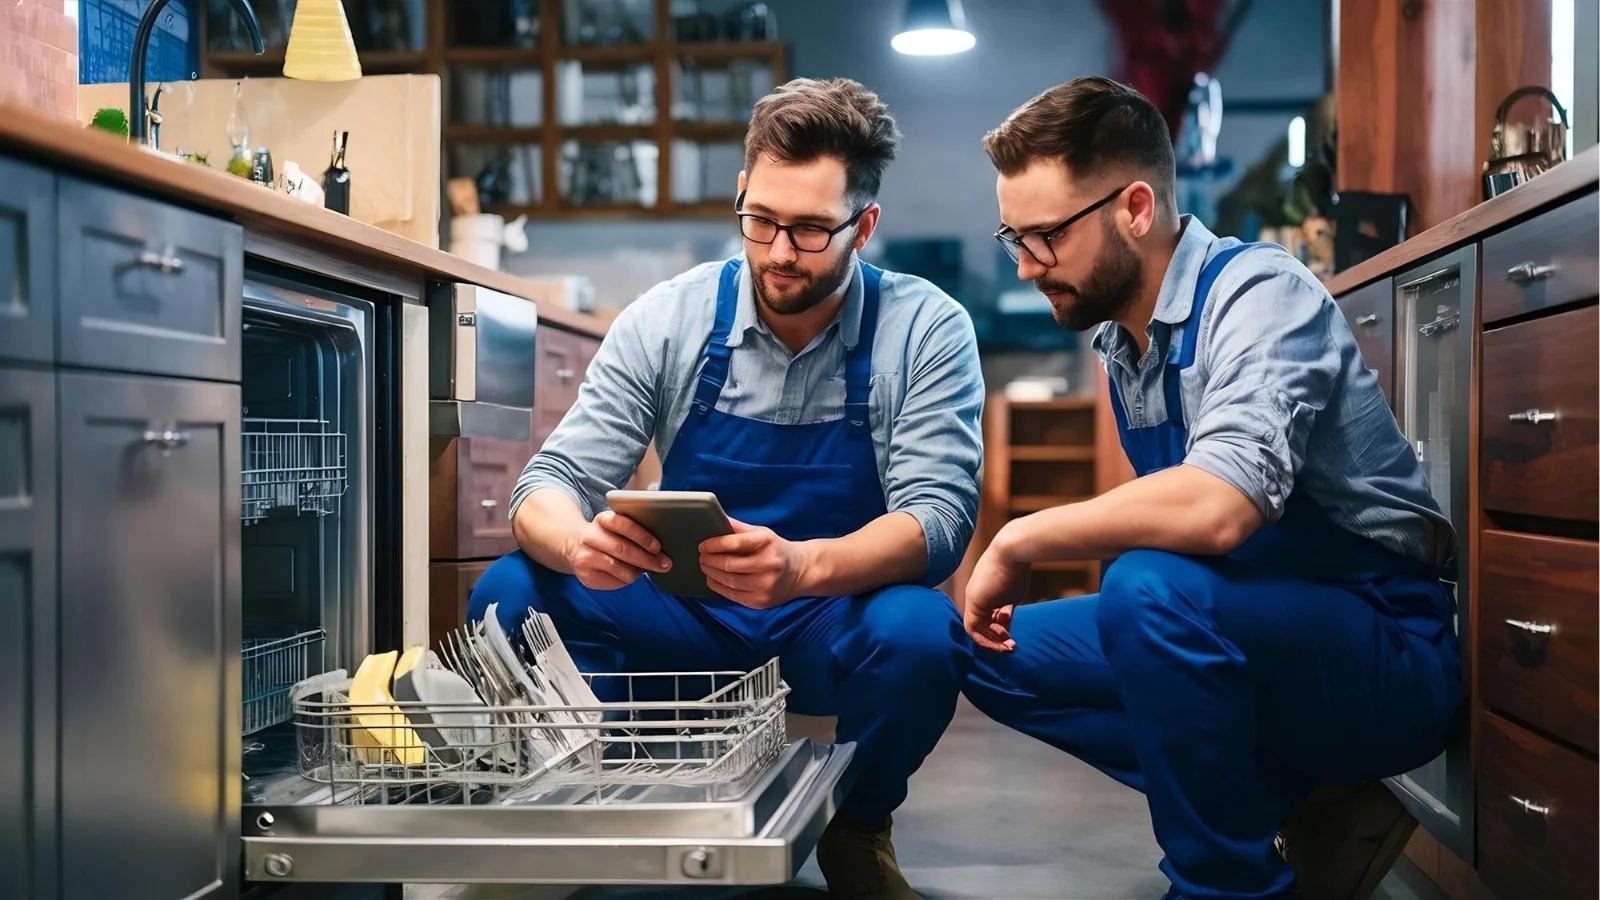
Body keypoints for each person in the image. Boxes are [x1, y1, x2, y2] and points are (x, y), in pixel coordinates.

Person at [468, 77, 984, 899]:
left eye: (813, 229)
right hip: (684, 617)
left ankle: (857, 828)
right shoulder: (667, 318)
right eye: (762, 219)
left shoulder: (927, 329)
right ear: (742, 194)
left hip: (828, 620)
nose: (780, 251)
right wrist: (577, 543)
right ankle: (584, 802)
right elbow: (549, 483)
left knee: (923, 634)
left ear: (865, 225)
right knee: (512, 593)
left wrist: (805, 569)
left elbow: (941, 520)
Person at [960, 77, 1461, 900]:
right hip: (1256, 624)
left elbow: (1222, 505)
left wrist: (1020, 534)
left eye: (1044, 235)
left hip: (1385, 646)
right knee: (983, 653)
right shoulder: (1121, 344)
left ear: (1134, 209)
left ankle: (1224, 885)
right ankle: (1297, 801)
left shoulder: (1260, 295)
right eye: (1013, 236)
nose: (1025, 264)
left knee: (1147, 592)